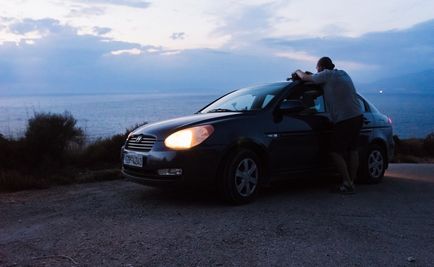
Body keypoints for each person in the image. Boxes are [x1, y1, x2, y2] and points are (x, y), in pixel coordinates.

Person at [294, 57, 363, 194]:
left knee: (335, 151)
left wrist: (298, 71)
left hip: (344, 120)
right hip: (358, 116)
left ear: (321, 67)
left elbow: (305, 77)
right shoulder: (343, 73)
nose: (317, 71)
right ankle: (352, 182)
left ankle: (347, 183)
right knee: (353, 150)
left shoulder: (326, 75)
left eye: (317, 68)